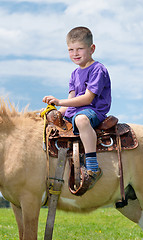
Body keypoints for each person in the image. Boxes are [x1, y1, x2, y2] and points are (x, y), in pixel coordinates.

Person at [43, 26, 111, 187]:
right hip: (74, 112)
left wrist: (59, 101)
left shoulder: (97, 70)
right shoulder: (74, 74)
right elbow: (71, 100)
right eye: (71, 50)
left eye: (80, 49)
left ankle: (93, 167)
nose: (75, 53)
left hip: (93, 110)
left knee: (81, 120)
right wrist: (56, 113)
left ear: (92, 48)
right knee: (49, 122)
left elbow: (87, 98)